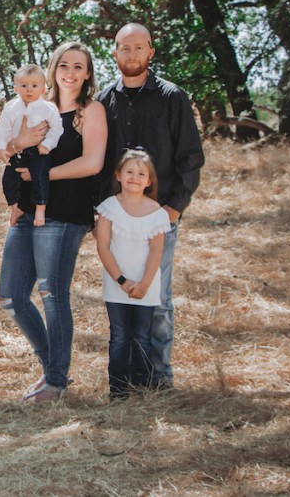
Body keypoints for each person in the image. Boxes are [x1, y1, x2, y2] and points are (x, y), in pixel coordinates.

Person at [0, 41, 108, 403]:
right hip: (27, 212)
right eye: (64, 64)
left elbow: (92, 164)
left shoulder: (90, 111)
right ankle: (52, 369)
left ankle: (56, 382)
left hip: (65, 215)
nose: (70, 72)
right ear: (53, 69)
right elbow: (9, 152)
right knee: (11, 296)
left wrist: (40, 178)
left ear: (87, 73)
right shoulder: (32, 107)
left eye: (79, 66)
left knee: (51, 293)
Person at [97, 23, 204, 389]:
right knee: (120, 294)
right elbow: (98, 161)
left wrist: (173, 208)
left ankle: (159, 377)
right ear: (114, 53)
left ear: (151, 52)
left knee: (157, 297)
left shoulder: (172, 98)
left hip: (159, 218)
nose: (131, 55)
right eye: (124, 48)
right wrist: (99, 212)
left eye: (138, 48)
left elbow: (191, 157)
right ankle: (125, 379)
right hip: (116, 219)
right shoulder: (104, 101)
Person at [95, 149, 171, 399]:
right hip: (116, 285)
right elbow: (103, 246)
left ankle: (142, 387)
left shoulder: (157, 212)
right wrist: (122, 280)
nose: (134, 177)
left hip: (145, 288)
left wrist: (144, 284)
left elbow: (156, 252)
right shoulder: (108, 208)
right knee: (119, 337)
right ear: (118, 175)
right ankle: (118, 390)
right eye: (129, 172)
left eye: (141, 174)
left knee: (141, 336)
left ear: (149, 181)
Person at [0, 63, 64, 227]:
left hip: (39, 151)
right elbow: (3, 128)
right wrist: (0, 147)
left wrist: (47, 144)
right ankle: (15, 207)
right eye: (24, 85)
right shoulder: (11, 107)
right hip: (17, 150)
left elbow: (57, 128)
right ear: (16, 88)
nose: (29, 90)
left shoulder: (48, 108)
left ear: (43, 89)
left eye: (34, 85)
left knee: (40, 176)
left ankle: (40, 208)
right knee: (8, 180)